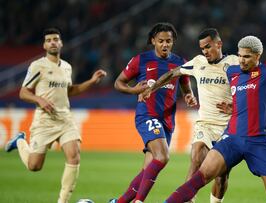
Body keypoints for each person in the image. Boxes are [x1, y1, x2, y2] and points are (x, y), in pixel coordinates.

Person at [163, 8, 266, 203]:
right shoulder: (232, 72)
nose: (241, 60)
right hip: (232, 139)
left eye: (247, 57)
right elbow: (240, 96)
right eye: (239, 56)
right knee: (199, 177)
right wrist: (232, 108)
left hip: (260, 143)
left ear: (258, 56)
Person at [4, 28, 107, 203]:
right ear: (44, 45)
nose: (53, 42)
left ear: (61, 43)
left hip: (65, 118)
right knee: (34, 166)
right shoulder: (38, 66)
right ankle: (20, 141)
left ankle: (62, 201)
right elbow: (23, 92)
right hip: (45, 120)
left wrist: (91, 81)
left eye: (56, 39)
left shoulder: (67, 67)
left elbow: (70, 91)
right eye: (49, 40)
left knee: (74, 155)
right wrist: (39, 100)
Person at [139, 28, 239, 203]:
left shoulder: (235, 63)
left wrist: (236, 106)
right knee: (196, 155)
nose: (205, 52)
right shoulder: (198, 62)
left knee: (221, 176)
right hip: (205, 124)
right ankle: (187, 201)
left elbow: (252, 88)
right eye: (202, 48)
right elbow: (172, 73)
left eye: (208, 47)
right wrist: (151, 89)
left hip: (228, 127)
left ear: (219, 44)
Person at [110, 22, 197, 203]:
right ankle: (139, 201)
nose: (165, 45)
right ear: (153, 41)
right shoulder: (141, 60)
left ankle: (119, 202)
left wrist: (189, 95)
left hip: (167, 120)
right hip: (147, 115)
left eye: (168, 41)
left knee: (149, 168)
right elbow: (118, 83)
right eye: (161, 41)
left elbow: (185, 84)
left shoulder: (180, 62)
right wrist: (134, 90)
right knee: (163, 157)